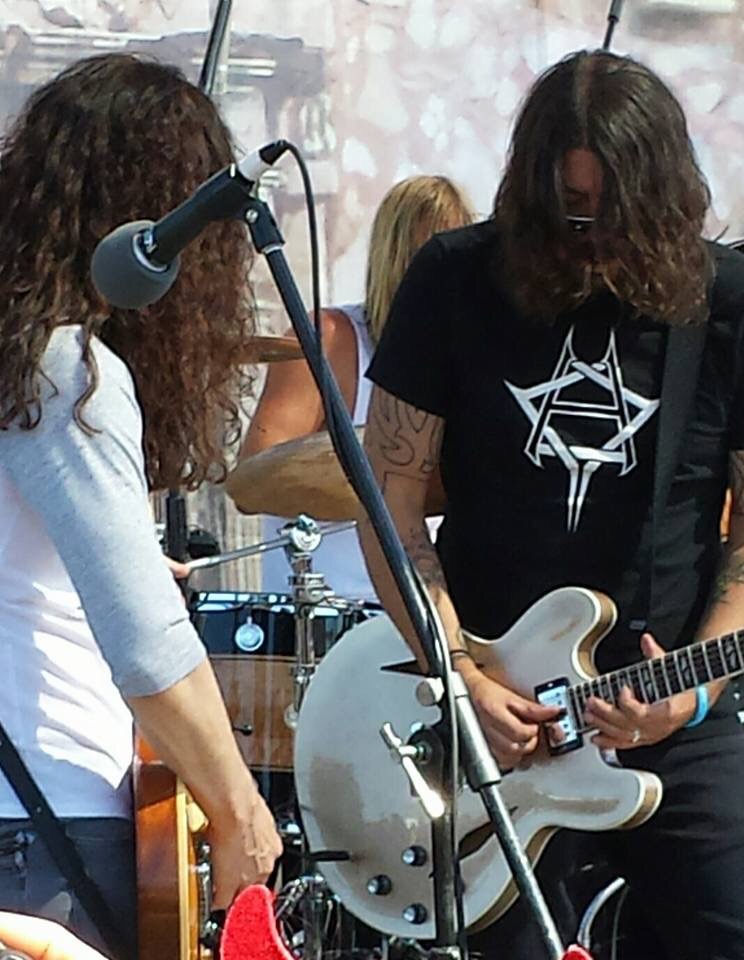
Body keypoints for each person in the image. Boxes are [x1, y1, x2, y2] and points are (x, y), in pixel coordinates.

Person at [360, 49, 744, 960]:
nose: (592, 234)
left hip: (670, 707)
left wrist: (694, 690)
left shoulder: (726, 301)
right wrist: (461, 677)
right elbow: (391, 503)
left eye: (615, 210)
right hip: (491, 714)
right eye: (571, 210)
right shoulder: (454, 280)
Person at [0, 54, 282, 957]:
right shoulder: (64, 369)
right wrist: (239, 810)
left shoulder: (17, 357)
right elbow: (145, 639)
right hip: (47, 821)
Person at [241, 175, 473, 599]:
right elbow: (254, 480)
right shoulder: (329, 339)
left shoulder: (470, 355)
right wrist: (399, 475)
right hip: (329, 616)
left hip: (438, 614)